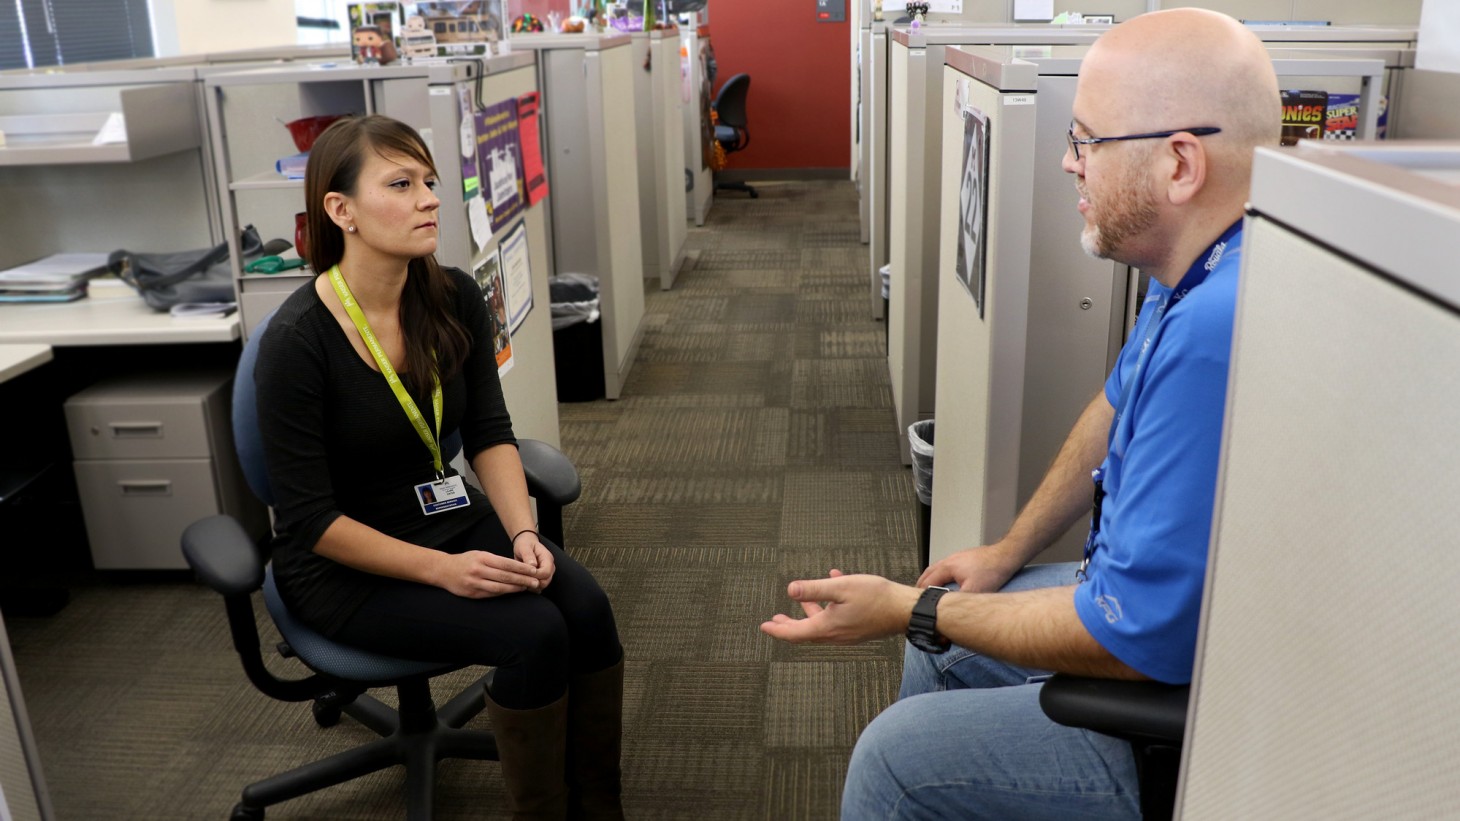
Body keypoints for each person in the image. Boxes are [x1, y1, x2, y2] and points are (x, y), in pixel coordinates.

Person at [760, 9, 1280, 818]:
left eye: (1087, 142)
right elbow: (1109, 412)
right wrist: (1004, 553)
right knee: (942, 654)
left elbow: (1131, 637)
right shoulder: (1194, 268)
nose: (1070, 164)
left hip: (1193, 722)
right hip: (1160, 614)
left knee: (891, 761)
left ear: (1180, 163)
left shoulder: (1221, 324)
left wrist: (908, 605)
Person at [254, 114, 624, 820]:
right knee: (533, 633)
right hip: (344, 562)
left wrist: (524, 533)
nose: (429, 198)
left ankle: (599, 805)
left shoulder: (451, 294)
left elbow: (489, 432)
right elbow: (309, 519)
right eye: (401, 183)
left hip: (446, 512)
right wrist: (444, 572)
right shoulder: (298, 341)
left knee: (584, 605)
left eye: (429, 180)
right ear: (342, 211)